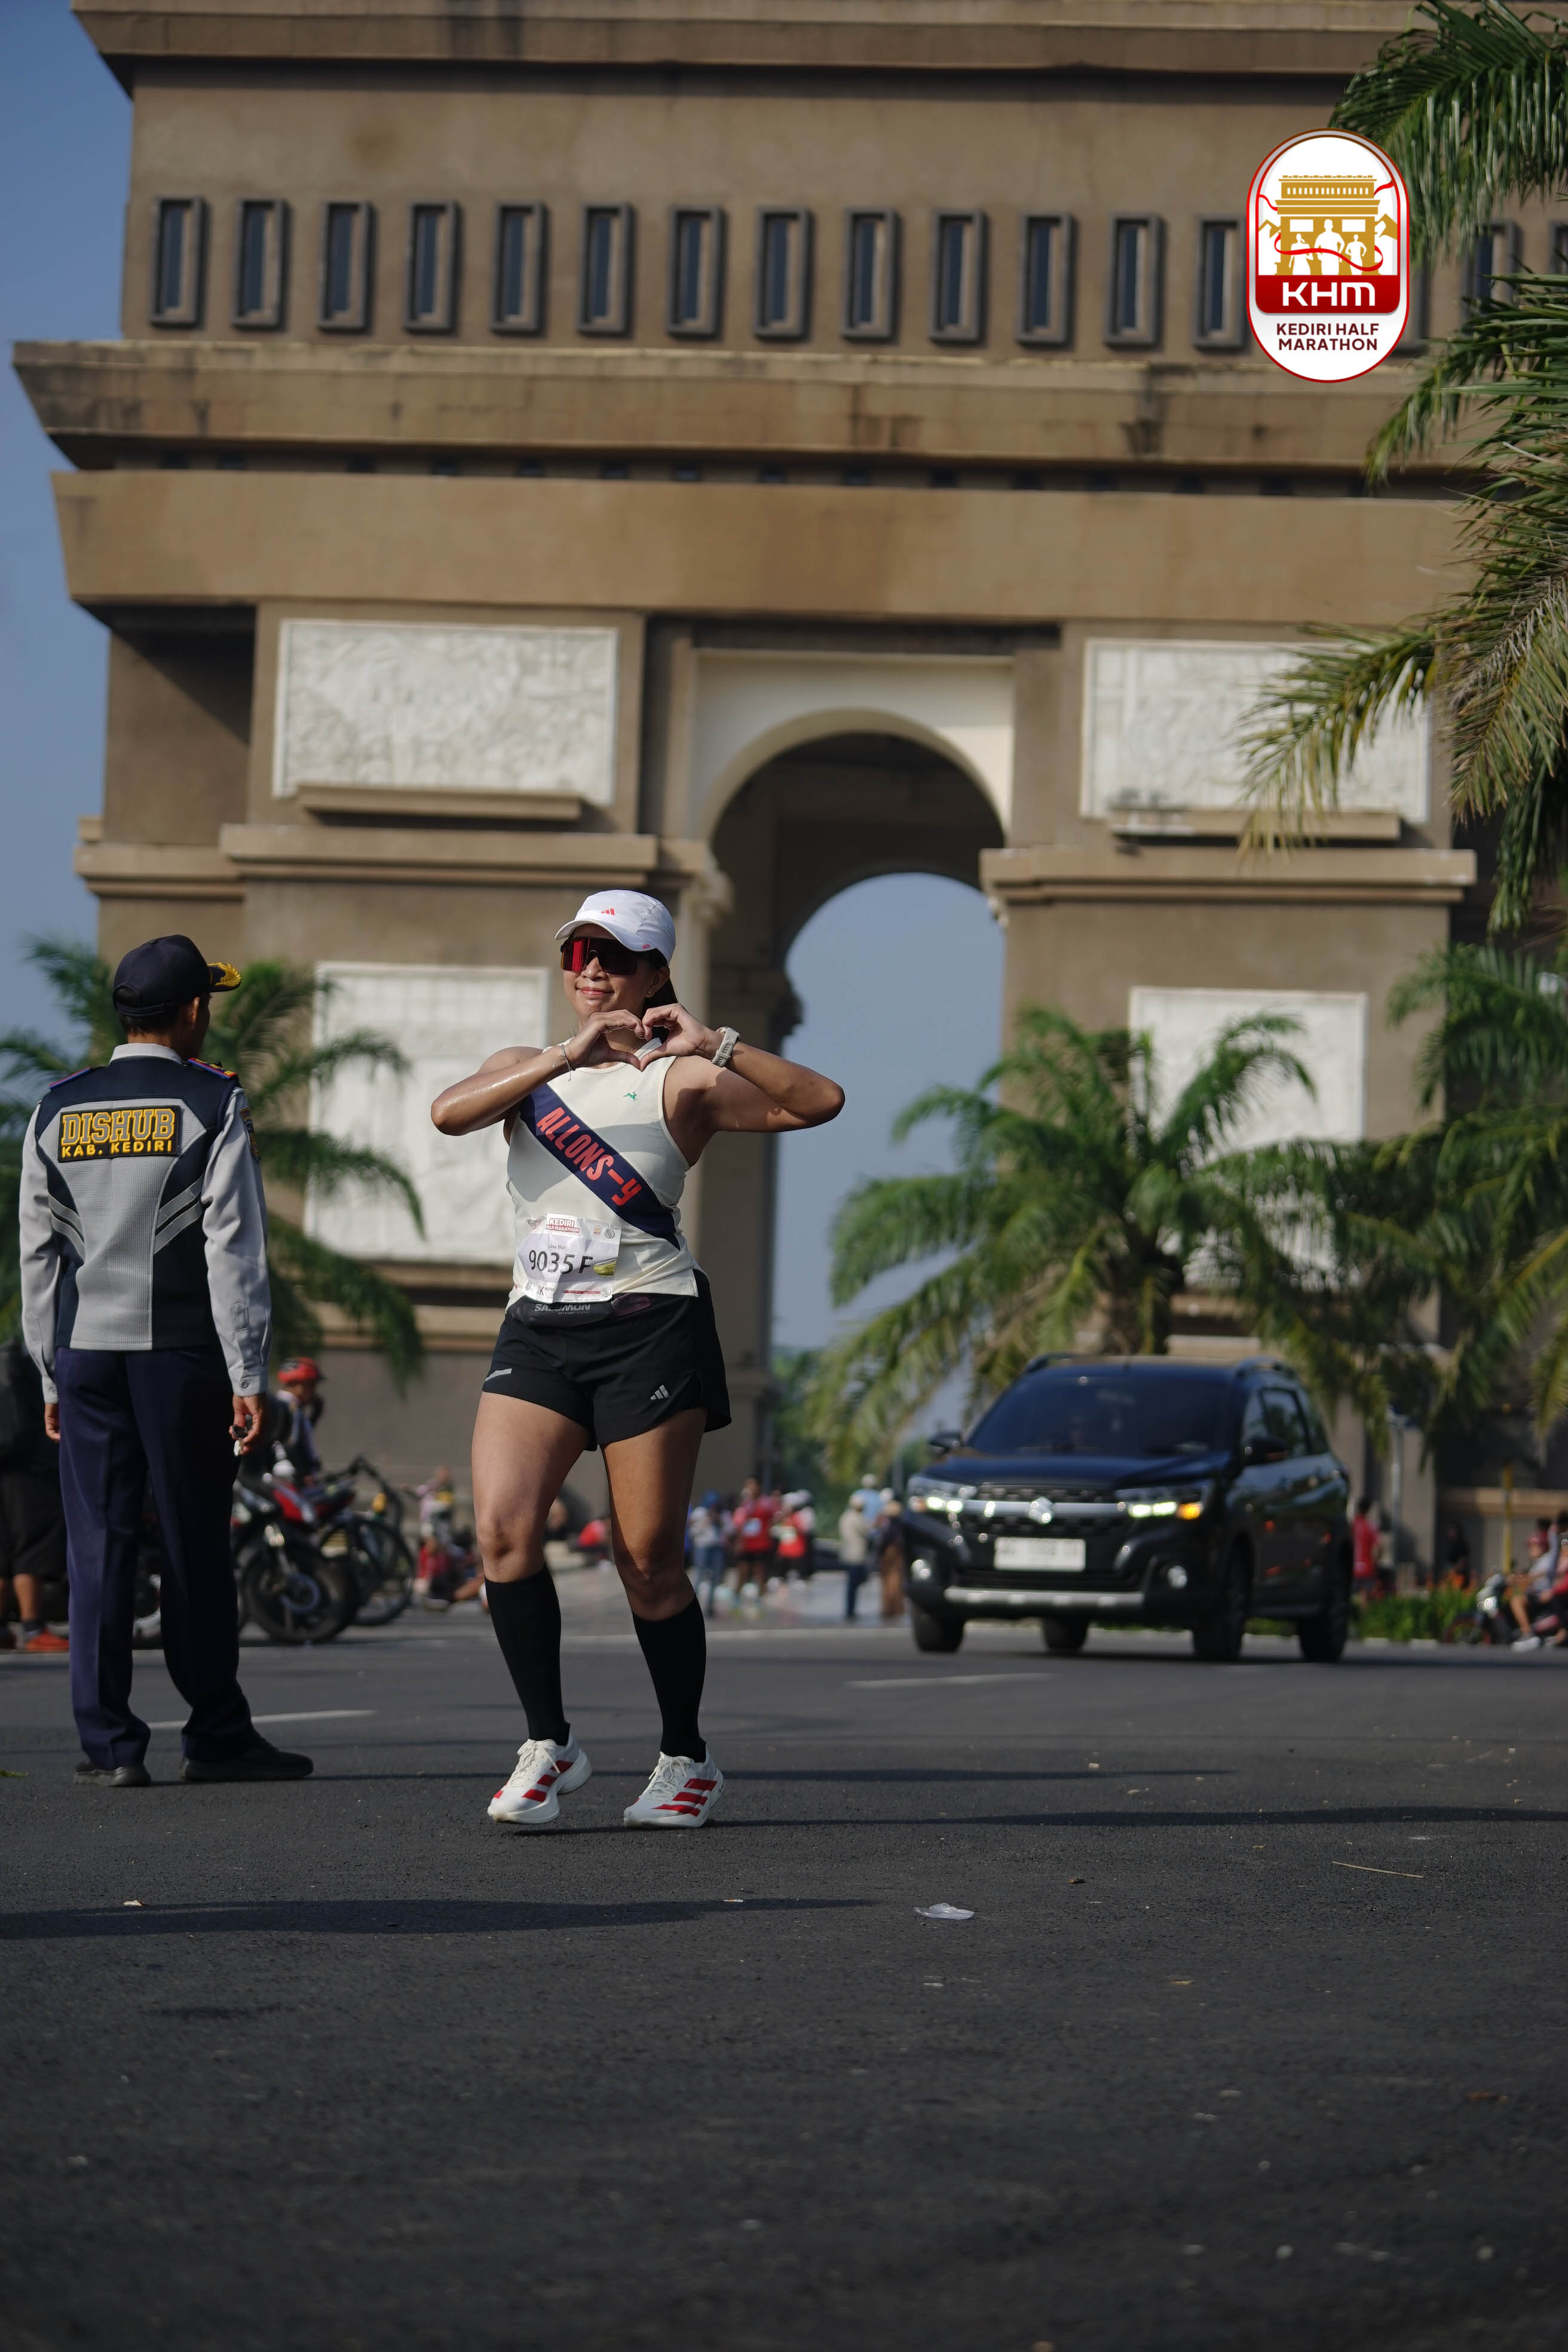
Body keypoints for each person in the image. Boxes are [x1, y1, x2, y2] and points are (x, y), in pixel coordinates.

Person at [431, 889, 843, 1830]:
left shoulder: (683, 1080)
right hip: (540, 1324)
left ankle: (685, 1757)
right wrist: (563, 1057)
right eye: (578, 953)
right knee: (502, 1531)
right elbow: (448, 1115)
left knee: (648, 1558)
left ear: (656, 971)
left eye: (613, 957)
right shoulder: (525, 1067)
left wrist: (720, 1044)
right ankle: (549, 1743)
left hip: (649, 1324)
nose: (591, 971)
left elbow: (819, 1102)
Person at [17, 933, 311, 1787]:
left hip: (85, 1355)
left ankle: (109, 1744)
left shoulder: (57, 1106)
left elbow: (38, 1258)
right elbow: (233, 1252)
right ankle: (215, 1733)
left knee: (97, 1547)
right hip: (180, 1356)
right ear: (191, 1011)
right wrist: (249, 1373)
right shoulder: (212, 1102)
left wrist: (47, 1371)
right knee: (192, 1542)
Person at [0, 1333, 69, 1652]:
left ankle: (3, 1630)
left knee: (4, 1548)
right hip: (29, 1469)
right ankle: (32, 1628)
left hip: (7, 1464)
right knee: (32, 1544)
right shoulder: (22, 1357)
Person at [267, 1356, 325, 1480]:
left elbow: (301, 1437)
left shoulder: (284, 1403)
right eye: (312, 1386)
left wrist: (316, 1414)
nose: (314, 1392)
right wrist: (305, 1473)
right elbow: (291, 1443)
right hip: (289, 1473)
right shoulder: (290, 1407)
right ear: (299, 1385)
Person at [688, 1491, 728, 1616]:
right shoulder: (699, 1513)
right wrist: (705, 1522)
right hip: (702, 1546)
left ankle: (710, 1605)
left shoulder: (722, 1514)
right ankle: (693, 1605)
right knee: (699, 1574)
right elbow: (692, 1530)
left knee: (715, 1576)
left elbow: (729, 1529)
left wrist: (718, 1519)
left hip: (717, 1547)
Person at [838, 1492, 871, 1621]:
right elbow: (867, 1530)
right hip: (856, 1555)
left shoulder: (845, 1517)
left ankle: (850, 1609)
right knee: (854, 1584)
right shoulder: (857, 1518)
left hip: (847, 1553)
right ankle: (850, 1610)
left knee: (851, 1584)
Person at [1350, 1496, 1379, 1608]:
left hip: (1353, 1567)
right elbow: (1378, 1548)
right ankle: (1365, 1617)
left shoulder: (1353, 1525)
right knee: (1366, 1598)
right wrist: (1375, 1562)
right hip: (1367, 1567)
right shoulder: (1370, 1526)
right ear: (1369, 1509)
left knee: (1351, 1596)